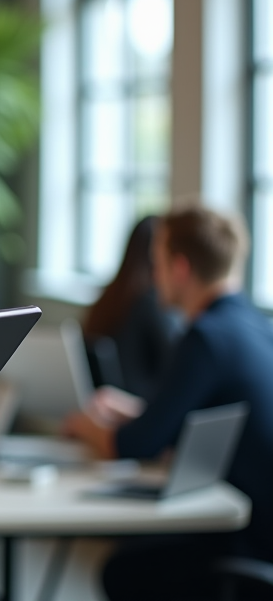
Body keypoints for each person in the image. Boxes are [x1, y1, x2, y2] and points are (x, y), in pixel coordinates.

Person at [65, 204, 273, 601]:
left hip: (249, 538)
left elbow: (133, 446)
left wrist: (82, 424)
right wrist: (134, 411)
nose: (154, 278)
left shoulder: (206, 338)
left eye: (157, 265)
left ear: (180, 268)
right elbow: (188, 419)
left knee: (123, 571)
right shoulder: (253, 325)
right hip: (257, 523)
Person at [80, 215, 180, 400]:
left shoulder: (109, 297)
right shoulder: (153, 304)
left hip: (101, 404)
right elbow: (178, 368)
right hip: (135, 408)